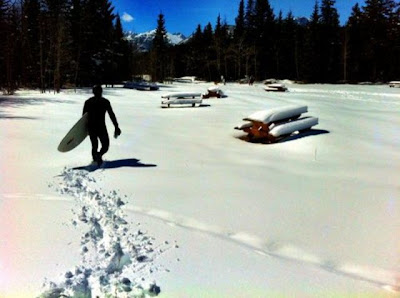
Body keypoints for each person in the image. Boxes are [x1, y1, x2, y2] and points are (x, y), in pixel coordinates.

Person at [83, 85, 121, 166]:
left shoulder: (88, 102)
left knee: (94, 145)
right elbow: (111, 115)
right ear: (101, 92)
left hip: (91, 127)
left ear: (93, 92)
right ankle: (98, 156)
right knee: (105, 146)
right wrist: (116, 126)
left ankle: (96, 159)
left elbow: (83, 118)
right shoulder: (105, 102)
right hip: (101, 127)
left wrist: (85, 130)